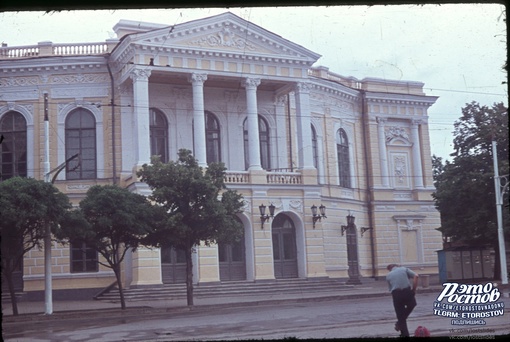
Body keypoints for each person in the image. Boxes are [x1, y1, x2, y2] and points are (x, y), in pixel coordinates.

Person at [386, 264, 419, 337]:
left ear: (389, 269)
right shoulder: (404, 269)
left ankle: (404, 334)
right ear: (397, 266)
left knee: (400, 315)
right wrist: (414, 289)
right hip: (406, 291)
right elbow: (416, 276)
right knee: (413, 304)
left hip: (396, 294)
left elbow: (390, 289)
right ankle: (399, 323)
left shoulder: (388, 275)